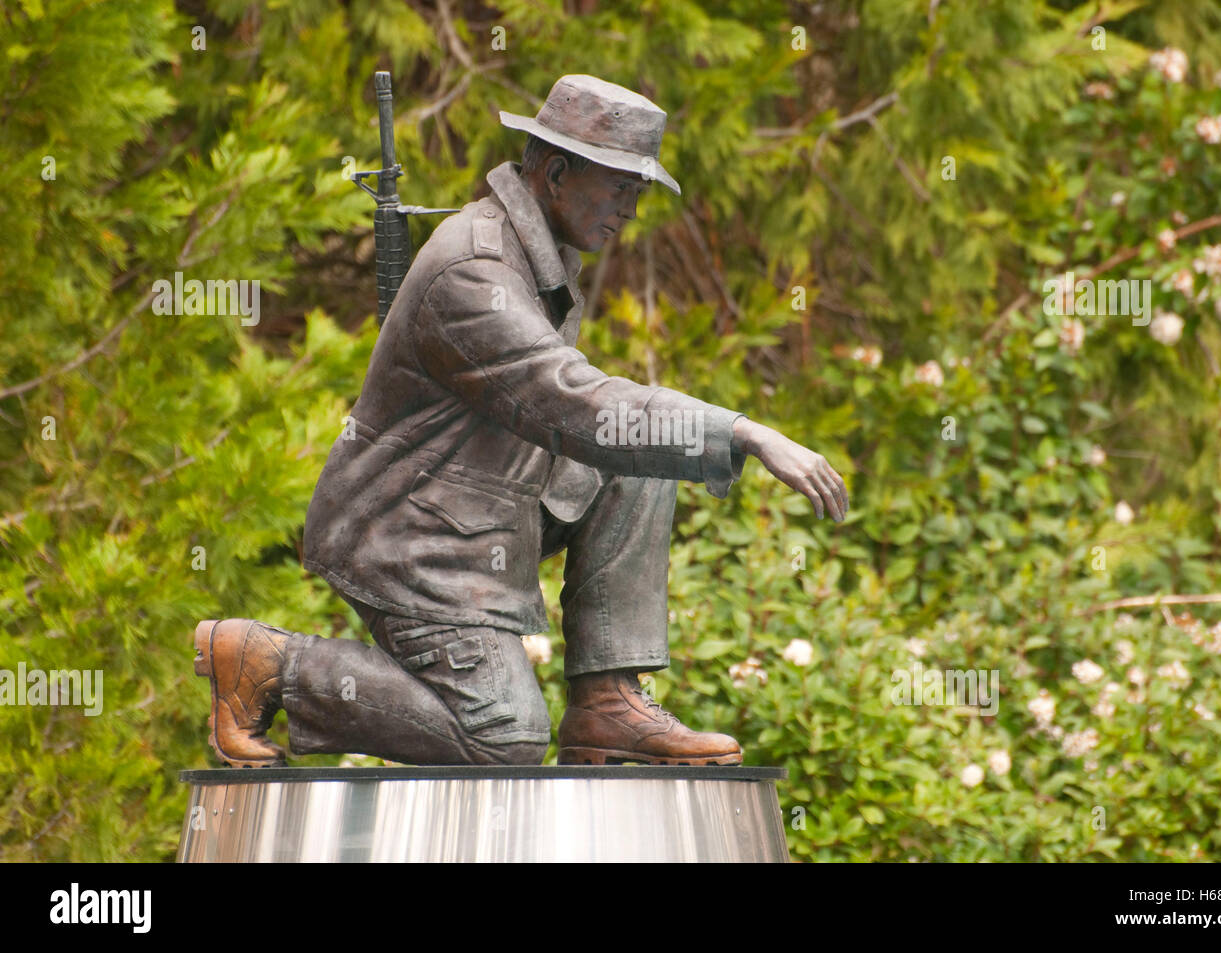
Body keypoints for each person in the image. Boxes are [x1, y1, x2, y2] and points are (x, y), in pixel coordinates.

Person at [193, 75, 848, 768]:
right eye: (621, 184)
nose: (633, 206)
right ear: (558, 172)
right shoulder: (475, 271)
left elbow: (580, 416)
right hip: (412, 533)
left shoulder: (538, 247)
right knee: (501, 734)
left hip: (481, 498)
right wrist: (746, 431)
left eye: (640, 188)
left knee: (644, 455)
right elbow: (578, 403)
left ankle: (607, 701)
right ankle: (268, 662)